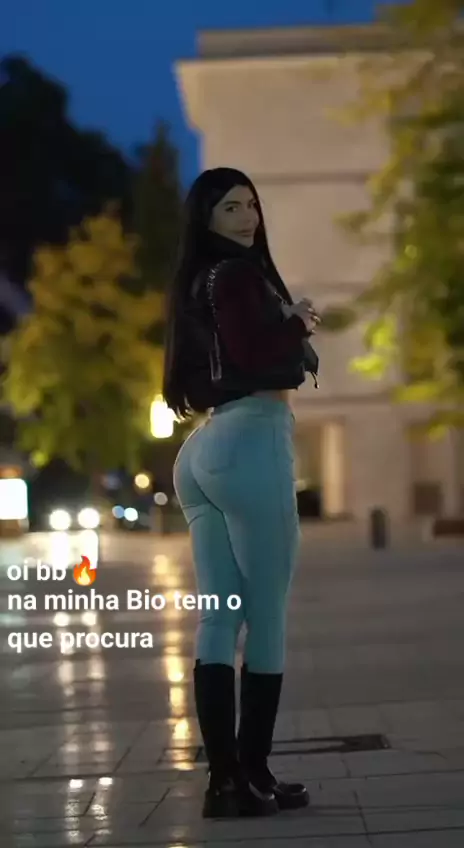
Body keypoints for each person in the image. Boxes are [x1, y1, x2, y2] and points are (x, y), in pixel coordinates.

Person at [162, 167, 320, 819]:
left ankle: (226, 784)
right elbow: (254, 351)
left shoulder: (197, 279)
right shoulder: (236, 276)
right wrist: (299, 322)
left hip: (204, 450)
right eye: (231, 207)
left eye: (251, 204)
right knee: (267, 615)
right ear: (206, 217)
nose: (248, 216)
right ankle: (252, 773)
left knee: (219, 617)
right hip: (251, 440)